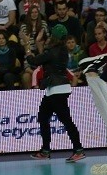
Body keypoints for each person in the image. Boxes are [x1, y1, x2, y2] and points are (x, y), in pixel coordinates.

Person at [26, 24, 86, 162]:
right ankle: (45, 150)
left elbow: (34, 61)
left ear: (54, 36)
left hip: (56, 90)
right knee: (43, 117)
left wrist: (27, 47)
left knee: (66, 120)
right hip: (55, 89)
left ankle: (78, 150)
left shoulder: (53, 51)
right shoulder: (62, 50)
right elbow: (45, 57)